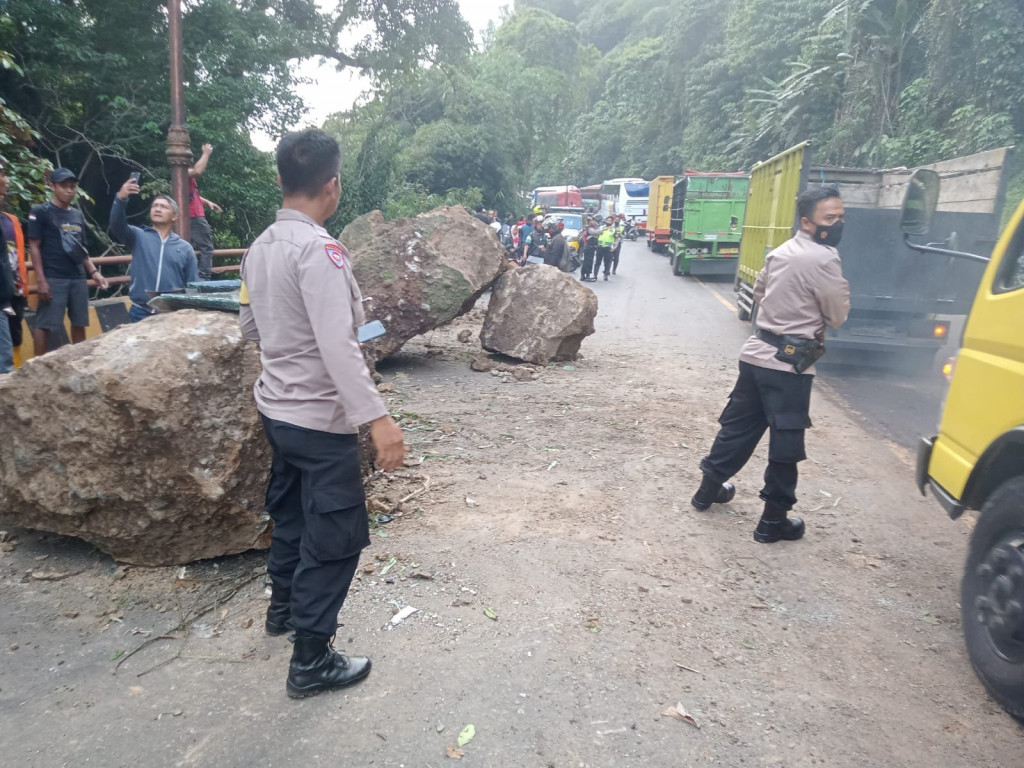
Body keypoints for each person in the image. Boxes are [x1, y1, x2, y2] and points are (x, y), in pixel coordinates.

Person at [239, 128, 406, 699]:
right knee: (335, 535)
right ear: (331, 185)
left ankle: (282, 609)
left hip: (276, 410)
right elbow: (337, 345)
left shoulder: (258, 247)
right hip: (319, 418)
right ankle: (311, 659)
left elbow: (252, 328)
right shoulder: (322, 249)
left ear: (281, 180)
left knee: (291, 515)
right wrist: (377, 417)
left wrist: (369, 329)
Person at [690, 186, 850, 544]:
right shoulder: (825, 259)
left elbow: (760, 295)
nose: (837, 224)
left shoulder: (780, 252)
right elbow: (838, 315)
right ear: (807, 222)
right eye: (830, 218)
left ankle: (706, 492)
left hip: (756, 355)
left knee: (738, 428)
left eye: (841, 217)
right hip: (789, 367)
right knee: (785, 445)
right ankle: (772, 522)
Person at [27, 168, 110, 356]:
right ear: (53, 186)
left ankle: (78, 362)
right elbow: (34, 246)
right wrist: (41, 280)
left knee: (79, 322)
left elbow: (81, 248)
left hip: (78, 276)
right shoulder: (40, 212)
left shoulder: (76, 214)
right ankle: (36, 367)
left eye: (72, 187)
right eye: (64, 186)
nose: (69, 191)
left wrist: (94, 273)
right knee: (45, 324)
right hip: (54, 276)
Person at [110, 176, 199, 322]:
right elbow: (116, 225)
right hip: (139, 311)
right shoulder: (138, 236)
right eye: (155, 206)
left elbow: (192, 284)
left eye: (163, 207)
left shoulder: (185, 248)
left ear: (175, 216)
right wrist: (121, 198)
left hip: (171, 314)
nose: (157, 209)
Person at [0, 165, 28, 362]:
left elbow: (18, 254)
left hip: (13, 288)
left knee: (14, 337)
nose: (6, 180)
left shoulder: (12, 221)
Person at [188, 143, 223, 280]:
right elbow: (198, 170)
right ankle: (203, 278)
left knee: (192, 248)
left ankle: (194, 276)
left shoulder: (186, 179)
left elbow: (193, 195)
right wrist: (206, 153)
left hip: (192, 216)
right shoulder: (184, 173)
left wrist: (208, 202)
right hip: (194, 217)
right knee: (207, 248)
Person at [581, 215, 600, 282]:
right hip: (589, 247)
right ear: (589, 221)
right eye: (592, 221)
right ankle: (587, 276)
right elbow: (595, 232)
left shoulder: (590, 227)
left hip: (590, 247)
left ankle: (583, 276)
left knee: (586, 261)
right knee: (588, 262)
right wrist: (603, 230)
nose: (594, 222)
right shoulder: (589, 228)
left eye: (594, 221)